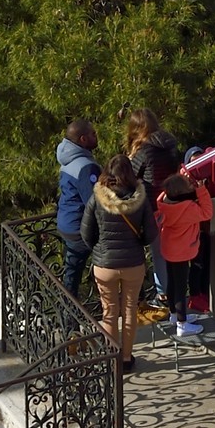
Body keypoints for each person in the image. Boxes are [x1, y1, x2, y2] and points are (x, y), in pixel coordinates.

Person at [78, 155, 153, 374]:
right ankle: (127, 359)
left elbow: (86, 233)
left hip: (105, 264)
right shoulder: (140, 199)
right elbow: (150, 234)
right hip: (133, 263)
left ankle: (112, 358)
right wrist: (138, 242)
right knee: (129, 310)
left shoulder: (97, 198)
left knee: (109, 313)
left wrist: (98, 250)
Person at [125, 110, 181, 307]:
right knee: (172, 251)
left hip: (152, 207)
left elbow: (129, 177)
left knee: (156, 252)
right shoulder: (171, 144)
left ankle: (163, 295)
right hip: (173, 202)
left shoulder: (144, 151)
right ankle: (175, 292)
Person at [153, 169, 213, 339]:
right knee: (180, 288)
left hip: (168, 247)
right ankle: (182, 324)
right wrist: (201, 190)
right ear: (182, 192)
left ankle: (174, 314)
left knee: (172, 283)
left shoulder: (164, 203)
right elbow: (208, 212)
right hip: (181, 251)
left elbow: (165, 193)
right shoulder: (188, 208)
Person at [56, 118, 101, 303]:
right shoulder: (85, 166)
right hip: (81, 229)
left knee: (71, 274)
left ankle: (68, 318)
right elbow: (94, 202)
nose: (96, 136)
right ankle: (71, 319)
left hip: (67, 223)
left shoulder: (69, 160)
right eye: (92, 134)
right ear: (83, 139)